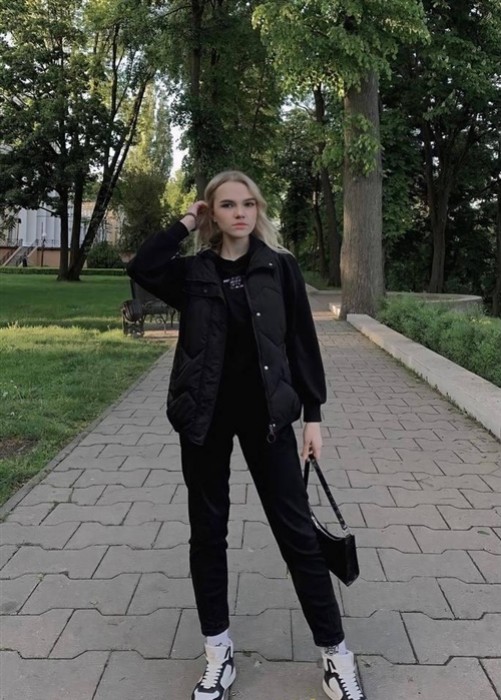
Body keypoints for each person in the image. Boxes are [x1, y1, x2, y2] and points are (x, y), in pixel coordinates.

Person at [127, 170, 366, 700]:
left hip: (269, 417)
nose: (240, 213)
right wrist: (185, 220)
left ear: (258, 210)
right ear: (212, 214)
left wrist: (313, 416)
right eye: (227, 205)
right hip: (204, 416)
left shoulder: (279, 266)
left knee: (297, 533)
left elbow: (302, 341)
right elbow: (143, 267)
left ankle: (336, 654)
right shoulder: (192, 272)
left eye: (248, 204)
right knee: (208, 533)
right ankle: (218, 653)